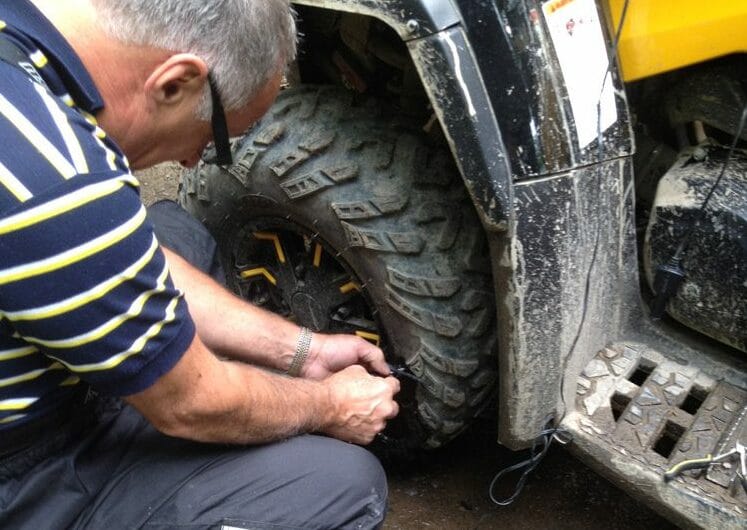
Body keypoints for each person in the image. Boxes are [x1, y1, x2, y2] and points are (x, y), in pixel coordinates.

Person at [0, 1, 401, 528]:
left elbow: (107, 251)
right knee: (342, 486)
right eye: (214, 138)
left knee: (175, 231)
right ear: (173, 83)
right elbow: (188, 402)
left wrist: (304, 353)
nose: (193, 161)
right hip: (25, 469)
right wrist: (328, 405)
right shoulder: (60, 182)